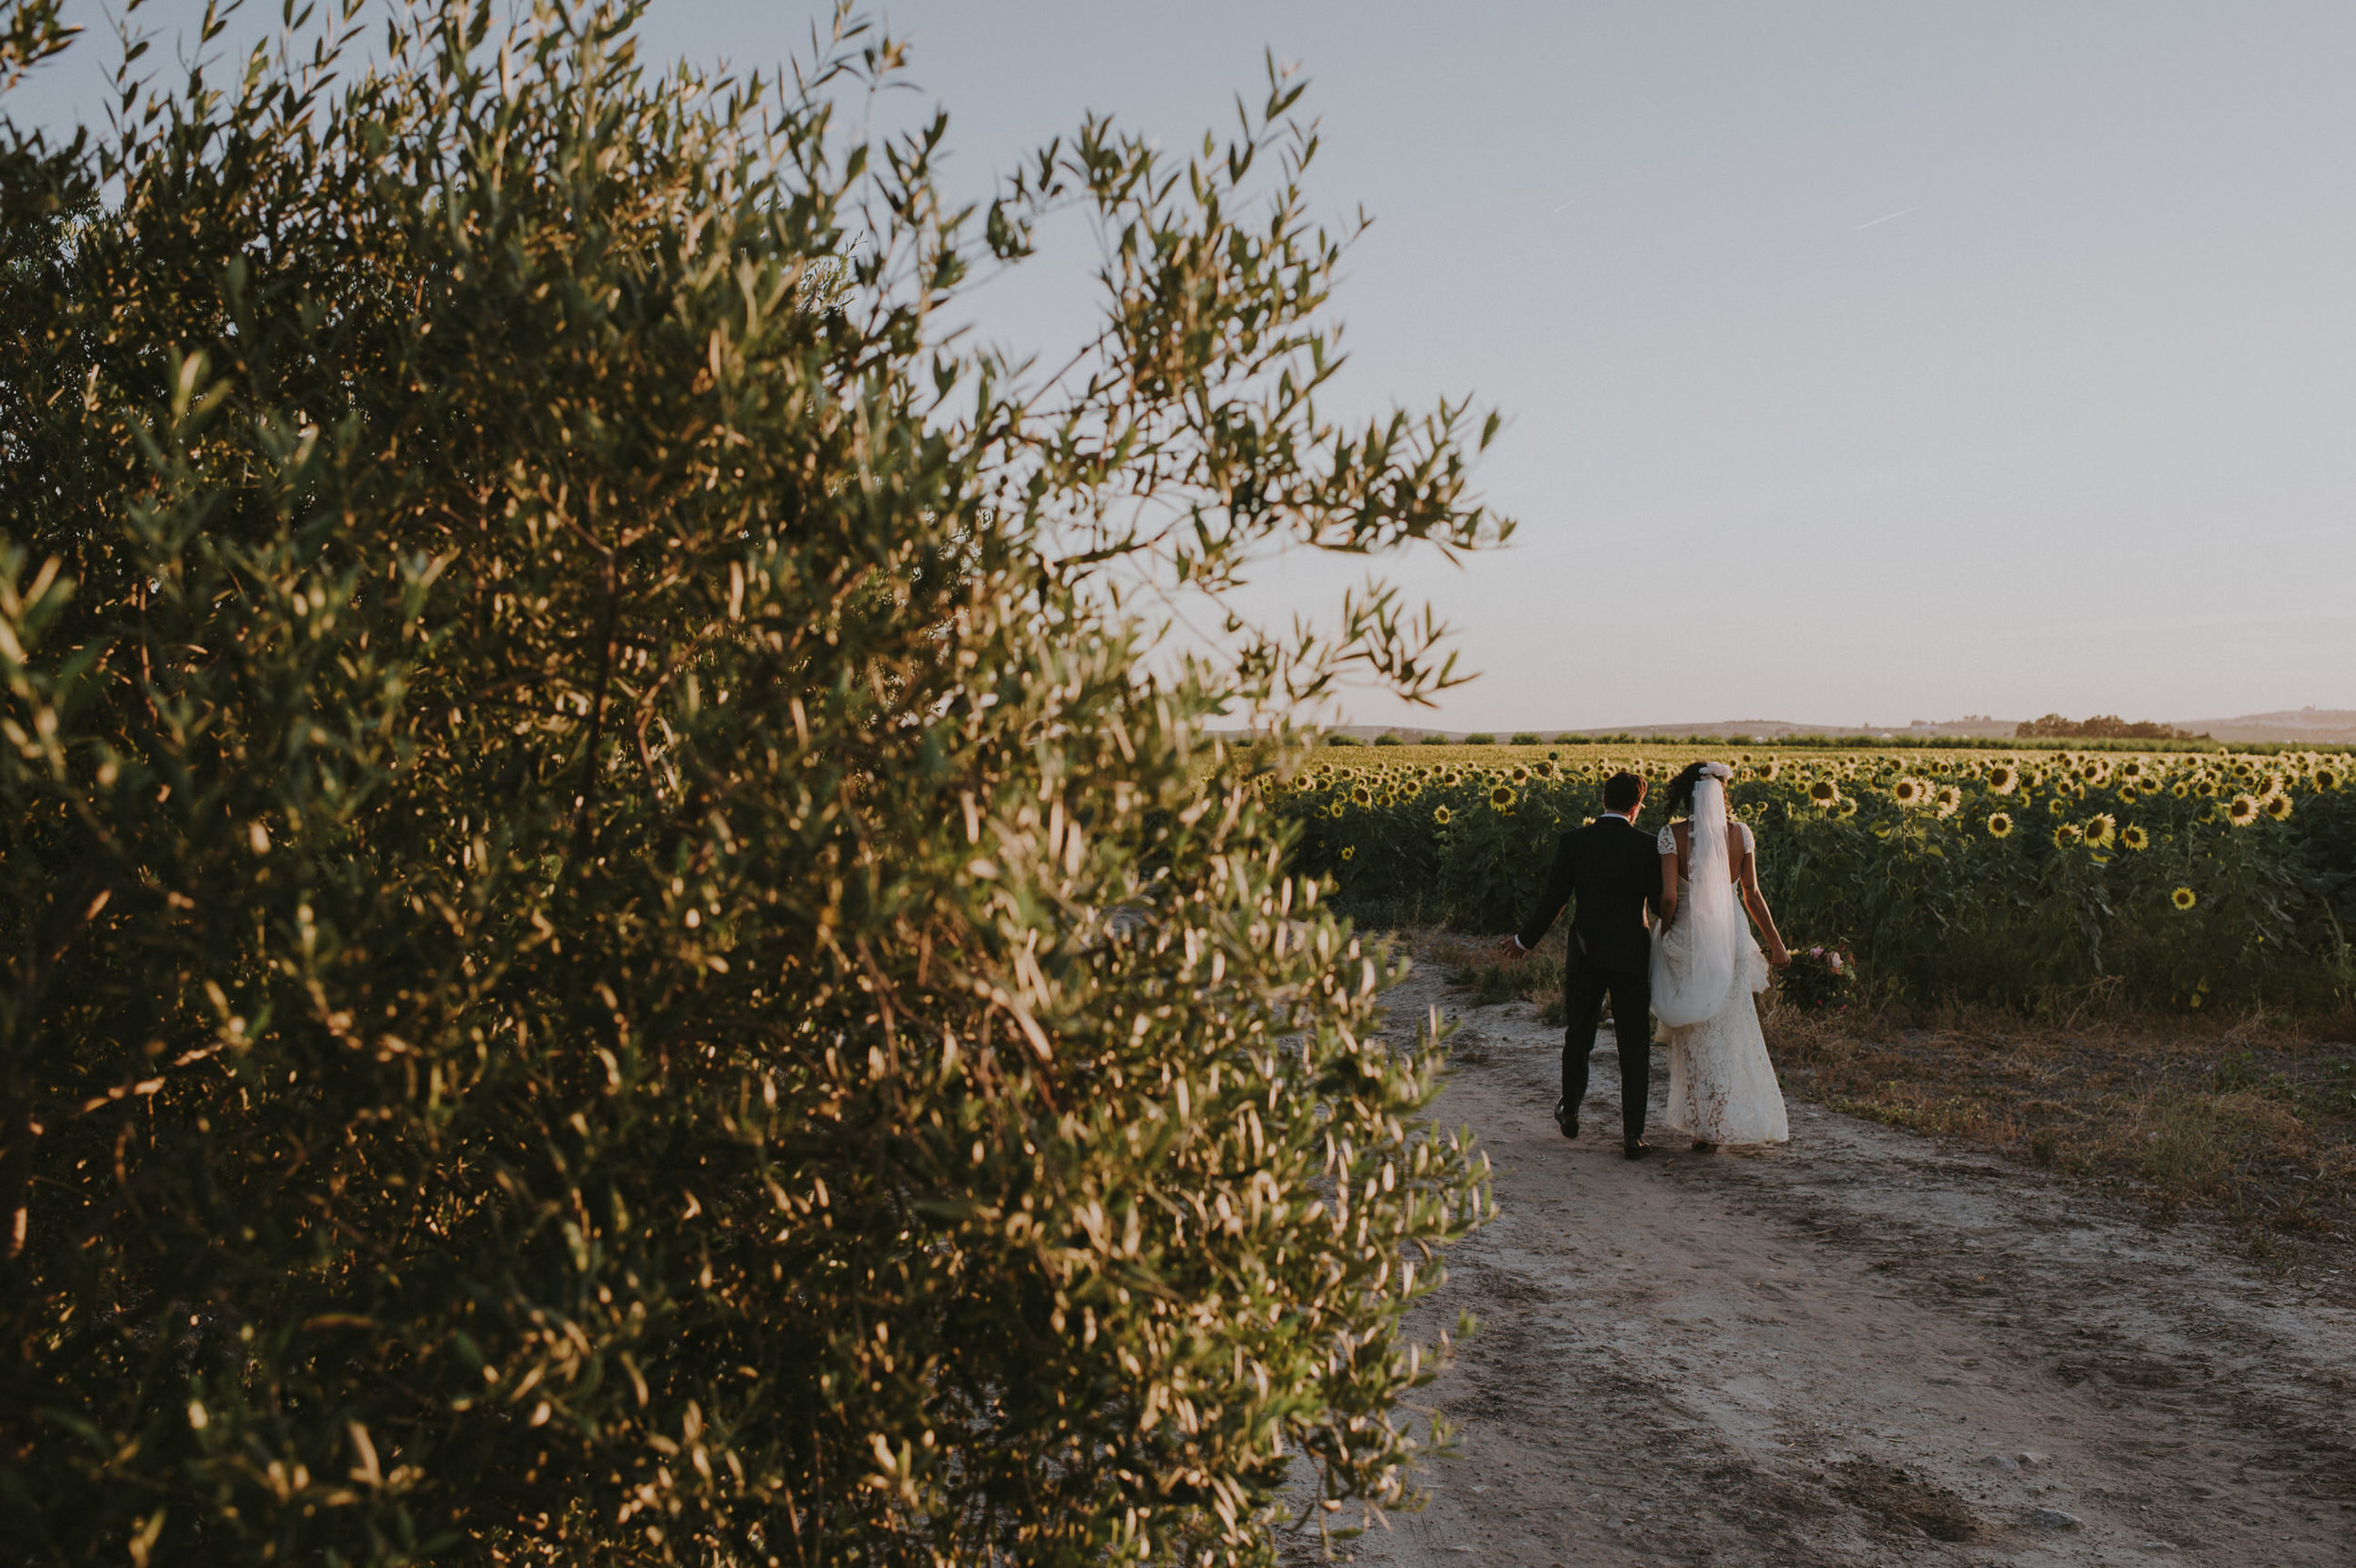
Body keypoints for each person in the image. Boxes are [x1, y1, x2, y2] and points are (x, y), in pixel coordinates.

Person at [1497, 771, 1662, 1160]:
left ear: (1602, 799)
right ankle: (1632, 1135)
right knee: (1634, 1044)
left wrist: (1525, 940)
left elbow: (1555, 899)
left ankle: (1570, 1110)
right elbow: (1658, 904)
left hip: (1586, 952)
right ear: (1637, 808)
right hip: (1631, 957)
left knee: (1579, 1035)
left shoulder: (1573, 841)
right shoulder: (1648, 846)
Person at [1651, 760, 1792, 1151]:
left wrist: (1664, 926)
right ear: (1721, 794)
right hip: (1731, 939)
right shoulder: (1741, 835)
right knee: (1731, 1030)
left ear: (1686, 794)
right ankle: (1720, 1118)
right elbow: (1752, 895)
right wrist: (1777, 944)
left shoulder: (1670, 836)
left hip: (1690, 939)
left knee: (1695, 1034)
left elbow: (1667, 896)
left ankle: (1702, 1124)